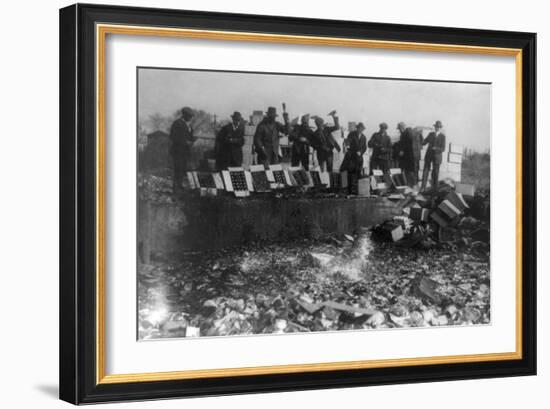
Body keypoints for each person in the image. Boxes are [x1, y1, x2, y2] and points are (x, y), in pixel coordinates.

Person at [169, 106, 196, 193]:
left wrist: (193, 140)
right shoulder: (177, 123)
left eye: (191, 116)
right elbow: (173, 136)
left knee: (183, 169)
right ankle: (176, 188)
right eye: (189, 116)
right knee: (178, 169)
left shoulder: (189, 126)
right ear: (184, 115)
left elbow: (190, 137)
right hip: (177, 151)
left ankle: (180, 186)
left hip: (185, 151)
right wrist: (185, 142)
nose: (191, 118)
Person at [340, 122, 367, 194]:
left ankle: (357, 190)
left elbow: (364, 147)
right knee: (348, 172)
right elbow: (348, 141)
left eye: (361, 129)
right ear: (357, 128)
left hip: (359, 158)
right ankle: (348, 190)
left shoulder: (364, 137)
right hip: (351, 157)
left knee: (358, 173)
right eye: (359, 128)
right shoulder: (352, 134)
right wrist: (348, 146)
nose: (360, 130)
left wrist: (361, 152)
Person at [421, 120, 447, 192]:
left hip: (437, 157)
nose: (437, 128)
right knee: (425, 171)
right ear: (434, 127)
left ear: (440, 128)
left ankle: (435, 189)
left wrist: (436, 148)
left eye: (438, 127)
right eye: (436, 127)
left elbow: (443, 148)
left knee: (435, 173)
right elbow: (424, 142)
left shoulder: (443, 137)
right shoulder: (430, 134)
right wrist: (420, 137)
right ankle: (423, 187)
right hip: (429, 155)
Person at [396, 121, 421, 187]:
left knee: (410, 171)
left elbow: (408, 143)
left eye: (399, 129)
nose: (399, 131)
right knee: (413, 171)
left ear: (402, 128)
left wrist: (402, 150)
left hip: (409, 157)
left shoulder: (406, 133)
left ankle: (411, 186)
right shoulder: (413, 132)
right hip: (413, 156)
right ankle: (413, 185)